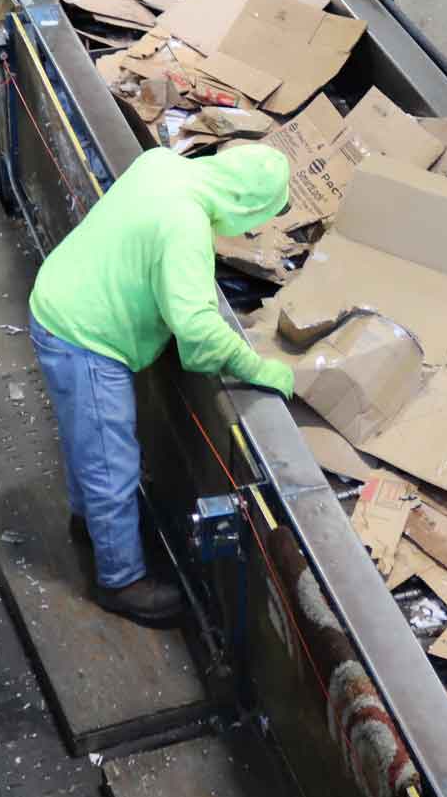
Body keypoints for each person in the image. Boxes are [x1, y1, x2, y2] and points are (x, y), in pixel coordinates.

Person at [27, 145, 295, 623]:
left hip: (57, 301)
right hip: (85, 338)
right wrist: (253, 366)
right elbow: (197, 328)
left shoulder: (163, 163)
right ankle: (121, 581)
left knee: (85, 442)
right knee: (111, 464)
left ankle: (90, 523)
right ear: (246, 206)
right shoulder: (186, 224)